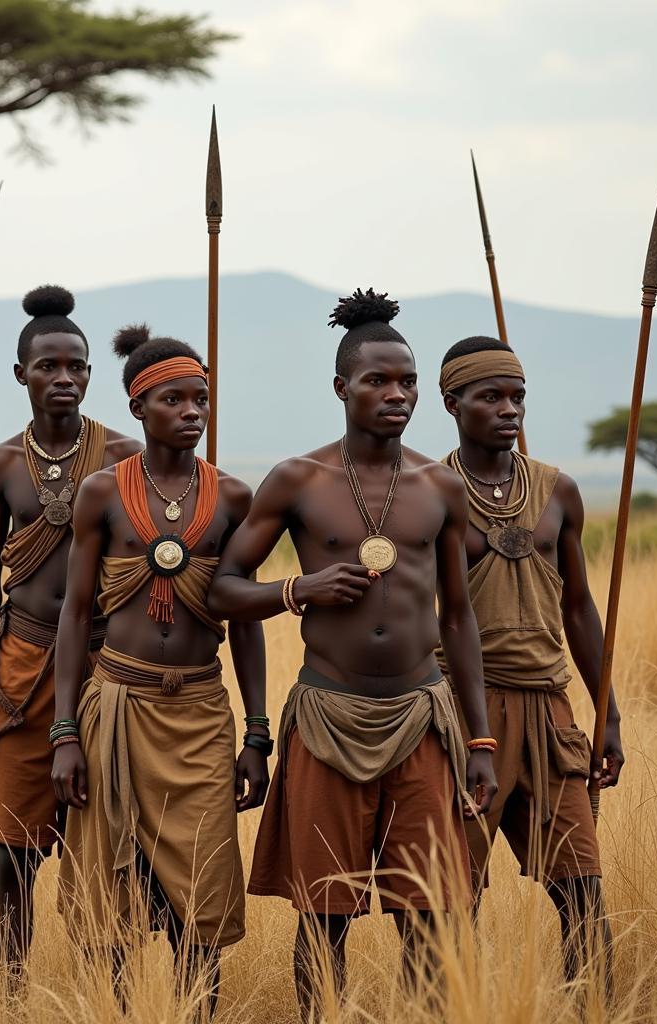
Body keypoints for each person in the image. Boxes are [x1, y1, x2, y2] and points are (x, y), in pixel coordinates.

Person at [207, 289, 498, 1018]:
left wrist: (482, 736)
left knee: (431, 911)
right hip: (328, 716)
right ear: (342, 388)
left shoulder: (441, 486)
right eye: (378, 381)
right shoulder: (299, 481)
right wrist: (298, 588)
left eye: (407, 383)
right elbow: (220, 590)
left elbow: (458, 619)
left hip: (422, 718)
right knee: (324, 912)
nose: (396, 395)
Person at [51, 324, 268, 1015]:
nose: (193, 412)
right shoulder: (101, 494)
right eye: (175, 400)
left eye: (201, 399)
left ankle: (194, 1013)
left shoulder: (233, 498)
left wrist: (257, 735)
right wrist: (64, 732)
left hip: (200, 714)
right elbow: (75, 615)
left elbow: (244, 622)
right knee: (109, 891)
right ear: (139, 409)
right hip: (115, 707)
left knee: (200, 890)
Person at [0, 285, 140, 971]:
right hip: (19, 665)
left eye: (76, 366)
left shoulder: (125, 455)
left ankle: (111, 990)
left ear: (90, 374)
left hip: (108, 664)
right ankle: (12, 989)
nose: (64, 378)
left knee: (113, 842)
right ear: (21, 373)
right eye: (49, 366)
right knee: (8, 849)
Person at [437, 335, 624, 986]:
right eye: (491, 397)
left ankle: (590, 1008)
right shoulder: (430, 494)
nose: (509, 409)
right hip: (468, 711)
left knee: (582, 889)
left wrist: (609, 715)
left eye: (518, 396)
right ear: (451, 403)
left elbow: (579, 608)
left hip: (551, 707)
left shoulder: (557, 491)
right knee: (453, 896)